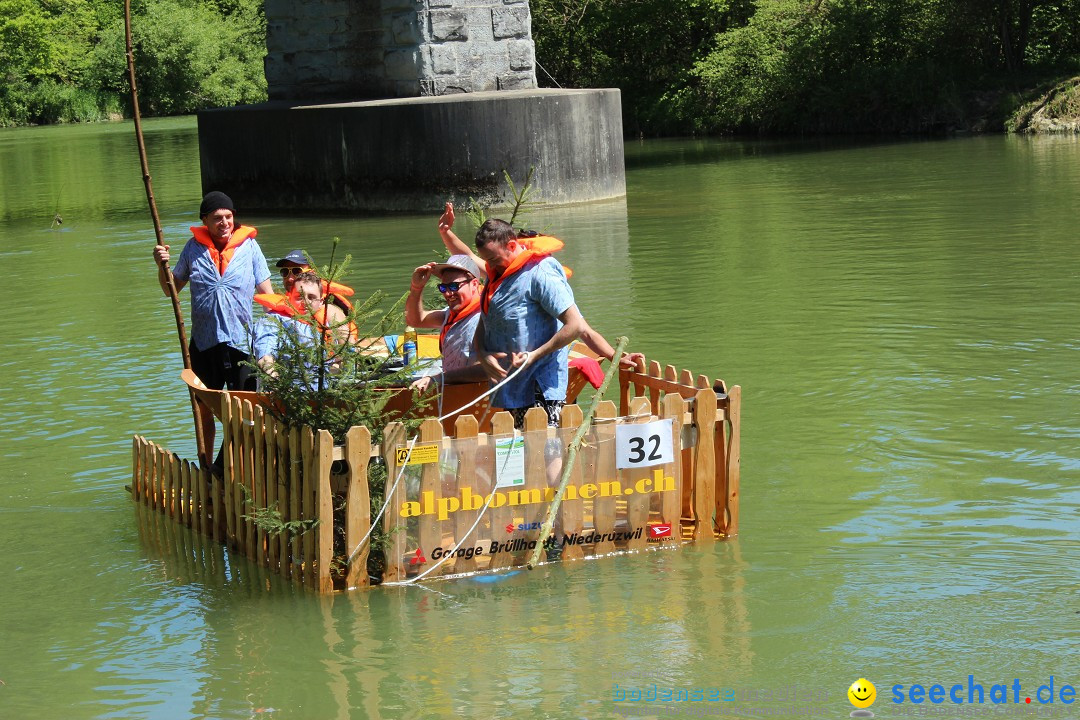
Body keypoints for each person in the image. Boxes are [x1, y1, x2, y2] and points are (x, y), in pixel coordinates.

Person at [153, 191, 273, 468]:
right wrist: (161, 266)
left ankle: (235, 467)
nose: (224, 222)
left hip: (241, 342)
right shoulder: (192, 248)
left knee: (245, 412)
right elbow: (170, 289)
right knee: (205, 410)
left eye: (229, 217)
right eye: (217, 218)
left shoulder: (250, 247)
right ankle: (206, 466)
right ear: (205, 220)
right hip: (205, 344)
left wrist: (280, 328)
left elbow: (267, 294)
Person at [405, 254, 489, 393]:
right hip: (454, 394)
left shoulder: (486, 318)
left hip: (480, 398)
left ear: (474, 284)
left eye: (454, 286)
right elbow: (415, 320)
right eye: (444, 288)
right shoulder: (449, 314)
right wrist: (416, 288)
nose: (448, 294)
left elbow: (487, 369)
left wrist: (439, 378)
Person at [252, 272, 347, 388]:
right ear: (289, 297)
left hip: (321, 397)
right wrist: (279, 385)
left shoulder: (324, 324)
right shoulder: (272, 320)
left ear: (321, 302)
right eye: (299, 297)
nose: (305, 302)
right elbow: (265, 358)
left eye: (311, 297)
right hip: (284, 396)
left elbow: (336, 363)